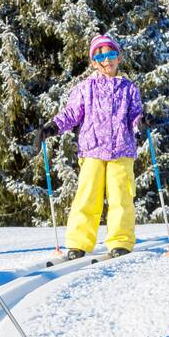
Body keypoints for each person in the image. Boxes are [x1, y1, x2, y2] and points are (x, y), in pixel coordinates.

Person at [36, 33, 144, 260]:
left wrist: (141, 122)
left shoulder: (129, 88)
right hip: (92, 149)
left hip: (122, 150)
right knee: (87, 197)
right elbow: (72, 113)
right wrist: (51, 128)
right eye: (101, 56)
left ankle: (120, 241)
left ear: (119, 57)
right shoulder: (86, 87)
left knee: (121, 198)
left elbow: (135, 115)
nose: (107, 60)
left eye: (111, 54)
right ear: (94, 62)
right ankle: (79, 243)